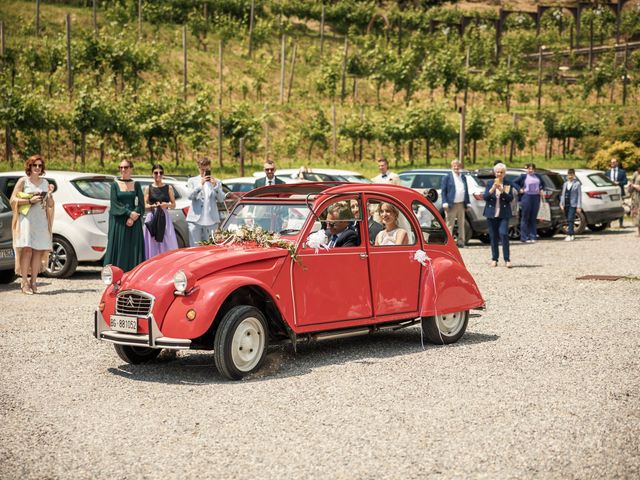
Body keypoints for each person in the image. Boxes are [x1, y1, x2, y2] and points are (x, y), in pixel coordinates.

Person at [9, 155, 54, 294]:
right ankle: (24, 282)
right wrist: (30, 201)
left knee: (38, 251)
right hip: (26, 220)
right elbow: (12, 201)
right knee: (27, 250)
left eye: (40, 166)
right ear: (30, 166)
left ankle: (34, 282)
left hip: (40, 220)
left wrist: (50, 195)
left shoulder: (45, 183)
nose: (37, 168)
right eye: (35, 165)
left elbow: (50, 204)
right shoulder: (23, 181)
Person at [104, 159, 145, 272]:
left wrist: (133, 216)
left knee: (133, 248)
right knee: (120, 248)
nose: (123, 170)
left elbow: (141, 203)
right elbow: (115, 204)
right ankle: (116, 275)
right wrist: (129, 213)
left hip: (134, 222)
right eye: (120, 167)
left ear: (131, 168)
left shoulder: (136, 185)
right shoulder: (115, 185)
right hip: (119, 222)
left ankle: (133, 275)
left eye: (126, 167)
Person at [186, 157, 225, 245]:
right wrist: (200, 186)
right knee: (194, 249)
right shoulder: (192, 181)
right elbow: (189, 196)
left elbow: (221, 199)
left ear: (210, 168)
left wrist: (215, 187)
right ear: (198, 168)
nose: (204, 172)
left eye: (206, 170)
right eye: (202, 169)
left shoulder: (217, 182)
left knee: (211, 250)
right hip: (195, 221)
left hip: (211, 221)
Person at [143, 164, 178, 259]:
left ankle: (168, 262)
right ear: (152, 174)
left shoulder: (168, 188)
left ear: (163, 174)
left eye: (160, 173)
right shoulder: (148, 188)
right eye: (156, 172)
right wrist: (153, 206)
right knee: (152, 242)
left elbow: (174, 204)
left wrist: (166, 205)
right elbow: (144, 205)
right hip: (152, 216)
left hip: (164, 216)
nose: (158, 174)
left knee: (168, 241)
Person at [483, 163, 514, 268]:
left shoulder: (508, 183)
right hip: (491, 213)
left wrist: (502, 191)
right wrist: (492, 189)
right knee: (493, 237)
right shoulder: (490, 183)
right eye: (497, 172)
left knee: (504, 234)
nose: (499, 174)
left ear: (504, 173)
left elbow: (510, 198)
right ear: (495, 173)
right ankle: (494, 259)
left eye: (501, 172)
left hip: (503, 213)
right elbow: (485, 197)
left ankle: (507, 259)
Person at [440, 159, 470, 248]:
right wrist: (444, 202)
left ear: (460, 167)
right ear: (452, 167)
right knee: (450, 224)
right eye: (454, 166)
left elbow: (466, 190)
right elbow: (443, 191)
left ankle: (461, 241)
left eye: (458, 166)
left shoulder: (463, 177)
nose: (456, 167)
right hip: (450, 204)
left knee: (461, 224)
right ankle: (449, 242)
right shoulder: (447, 177)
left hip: (461, 204)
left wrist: (468, 203)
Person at [513, 163, 545, 243]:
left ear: (534, 169)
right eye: (529, 169)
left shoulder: (538, 176)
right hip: (526, 197)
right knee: (525, 217)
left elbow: (543, 184)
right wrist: (519, 189)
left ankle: (533, 236)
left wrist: (541, 189)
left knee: (533, 218)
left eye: (532, 169)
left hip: (536, 197)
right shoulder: (523, 176)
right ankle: (524, 237)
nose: (530, 170)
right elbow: (513, 182)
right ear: (527, 169)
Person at [560, 168, 582, 242]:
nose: (570, 176)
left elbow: (579, 195)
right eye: (569, 175)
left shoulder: (577, 184)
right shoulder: (565, 184)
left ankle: (569, 234)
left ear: (574, 175)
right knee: (568, 220)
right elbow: (563, 194)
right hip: (566, 203)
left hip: (573, 204)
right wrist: (561, 203)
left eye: (572, 175)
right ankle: (571, 234)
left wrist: (579, 206)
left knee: (570, 219)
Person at [604, 158, 628, 227]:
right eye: (611, 162)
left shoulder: (622, 172)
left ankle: (621, 224)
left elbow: (625, 182)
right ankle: (608, 224)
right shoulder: (607, 172)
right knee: (609, 208)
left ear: (617, 163)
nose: (612, 164)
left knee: (620, 207)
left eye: (614, 162)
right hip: (609, 192)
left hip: (619, 192)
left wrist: (618, 183)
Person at [628, 166, 640, 237]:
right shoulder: (636, 173)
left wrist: (635, 186)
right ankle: (639, 233)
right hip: (636, 197)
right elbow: (631, 187)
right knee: (637, 215)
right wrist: (631, 186)